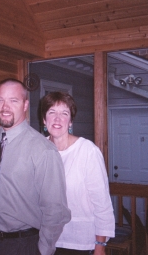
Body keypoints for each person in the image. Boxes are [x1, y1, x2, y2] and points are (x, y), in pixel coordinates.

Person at [0, 78, 71, 255]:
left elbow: (55, 210)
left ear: (25, 105)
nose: (5, 107)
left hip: (23, 244)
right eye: (0, 100)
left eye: (13, 100)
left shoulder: (43, 150)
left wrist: (43, 250)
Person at [39, 92, 115, 255]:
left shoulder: (87, 151)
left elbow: (102, 205)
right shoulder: (38, 149)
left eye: (64, 113)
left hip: (78, 243)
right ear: (44, 120)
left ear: (71, 121)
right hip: (44, 240)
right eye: (52, 112)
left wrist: (100, 246)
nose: (57, 119)